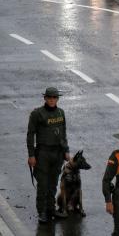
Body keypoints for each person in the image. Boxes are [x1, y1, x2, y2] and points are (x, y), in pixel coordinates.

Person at [26, 87, 70, 224]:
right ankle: (42, 212)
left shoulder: (61, 113)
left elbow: (63, 134)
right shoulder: (37, 114)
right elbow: (30, 134)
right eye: (49, 97)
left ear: (57, 99)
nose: (52, 100)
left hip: (57, 153)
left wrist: (66, 151)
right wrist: (31, 155)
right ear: (45, 98)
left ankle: (51, 209)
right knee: (43, 185)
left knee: (53, 184)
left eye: (54, 97)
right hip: (43, 153)